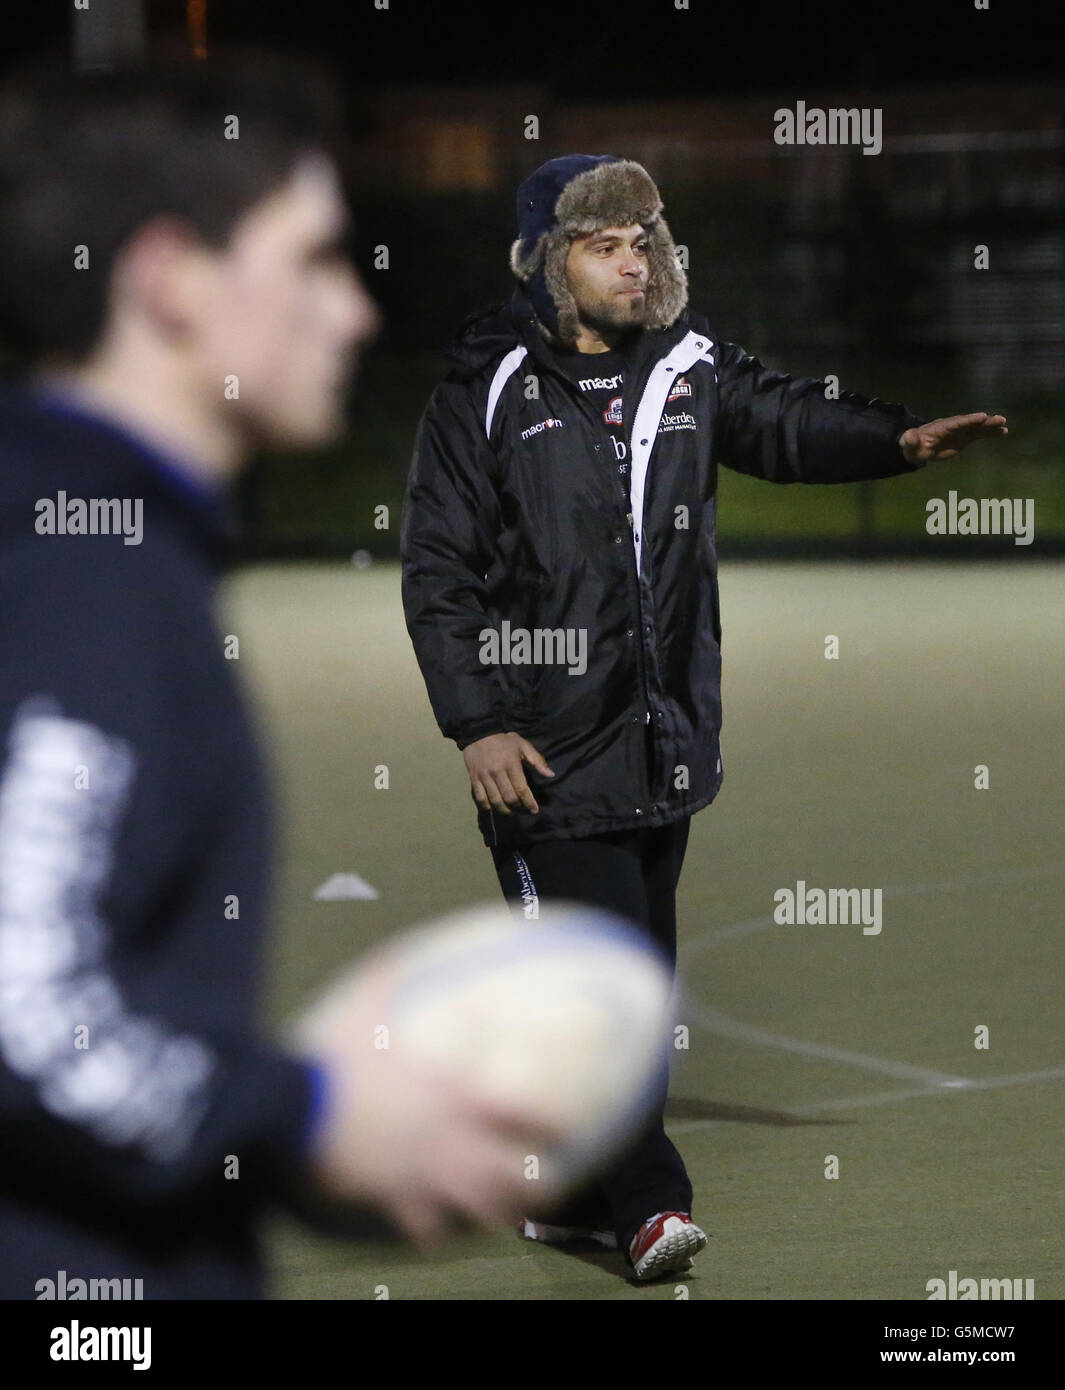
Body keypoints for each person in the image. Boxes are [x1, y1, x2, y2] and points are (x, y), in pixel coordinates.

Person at [0, 49, 559, 1301]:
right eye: (311, 259)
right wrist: (304, 1112)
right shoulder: (84, 577)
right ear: (170, 280)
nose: (354, 310)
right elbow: (21, 1013)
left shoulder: (90, 543)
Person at [399, 153, 1008, 1280]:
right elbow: (438, 571)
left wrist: (898, 439)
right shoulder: (483, 388)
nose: (635, 263)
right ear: (546, 262)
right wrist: (477, 722)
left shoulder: (686, 364)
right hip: (541, 760)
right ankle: (647, 1206)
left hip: (662, 744)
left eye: (646, 242)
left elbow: (784, 422)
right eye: (605, 243)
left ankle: (574, 1193)